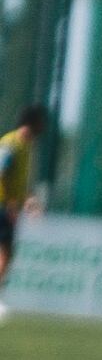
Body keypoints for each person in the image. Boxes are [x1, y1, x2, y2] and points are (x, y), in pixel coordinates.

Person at [0, 105, 44, 321]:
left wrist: (28, 201)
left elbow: (18, 181)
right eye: (40, 122)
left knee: (7, 253)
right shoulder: (10, 143)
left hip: (9, 205)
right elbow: (1, 172)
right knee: (5, 252)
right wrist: (9, 204)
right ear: (32, 123)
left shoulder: (27, 147)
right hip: (1, 204)